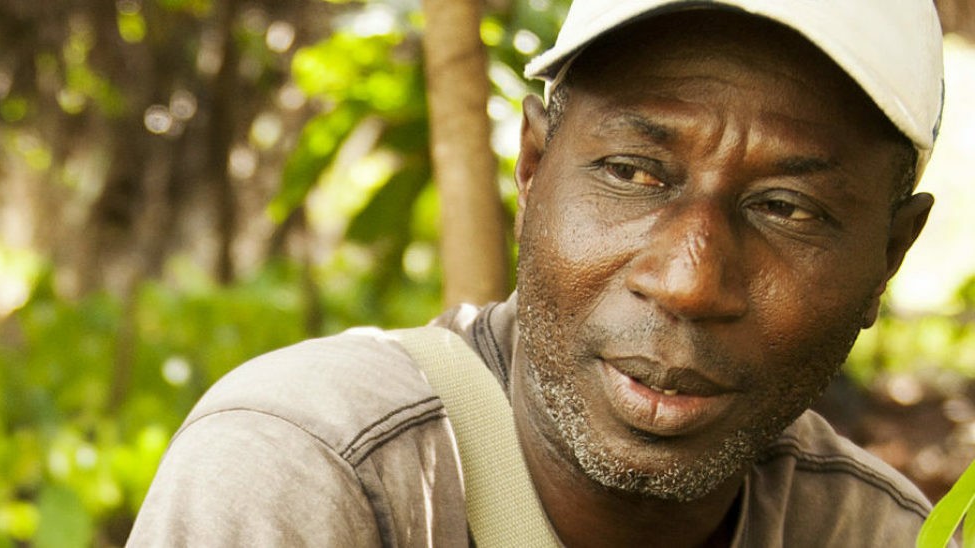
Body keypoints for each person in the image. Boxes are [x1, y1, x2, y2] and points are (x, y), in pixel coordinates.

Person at [127, 0, 946, 546]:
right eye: (632, 171)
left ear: (889, 257)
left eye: (788, 208)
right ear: (532, 165)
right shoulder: (306, 474)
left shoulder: (872, 533)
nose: (690, 281)